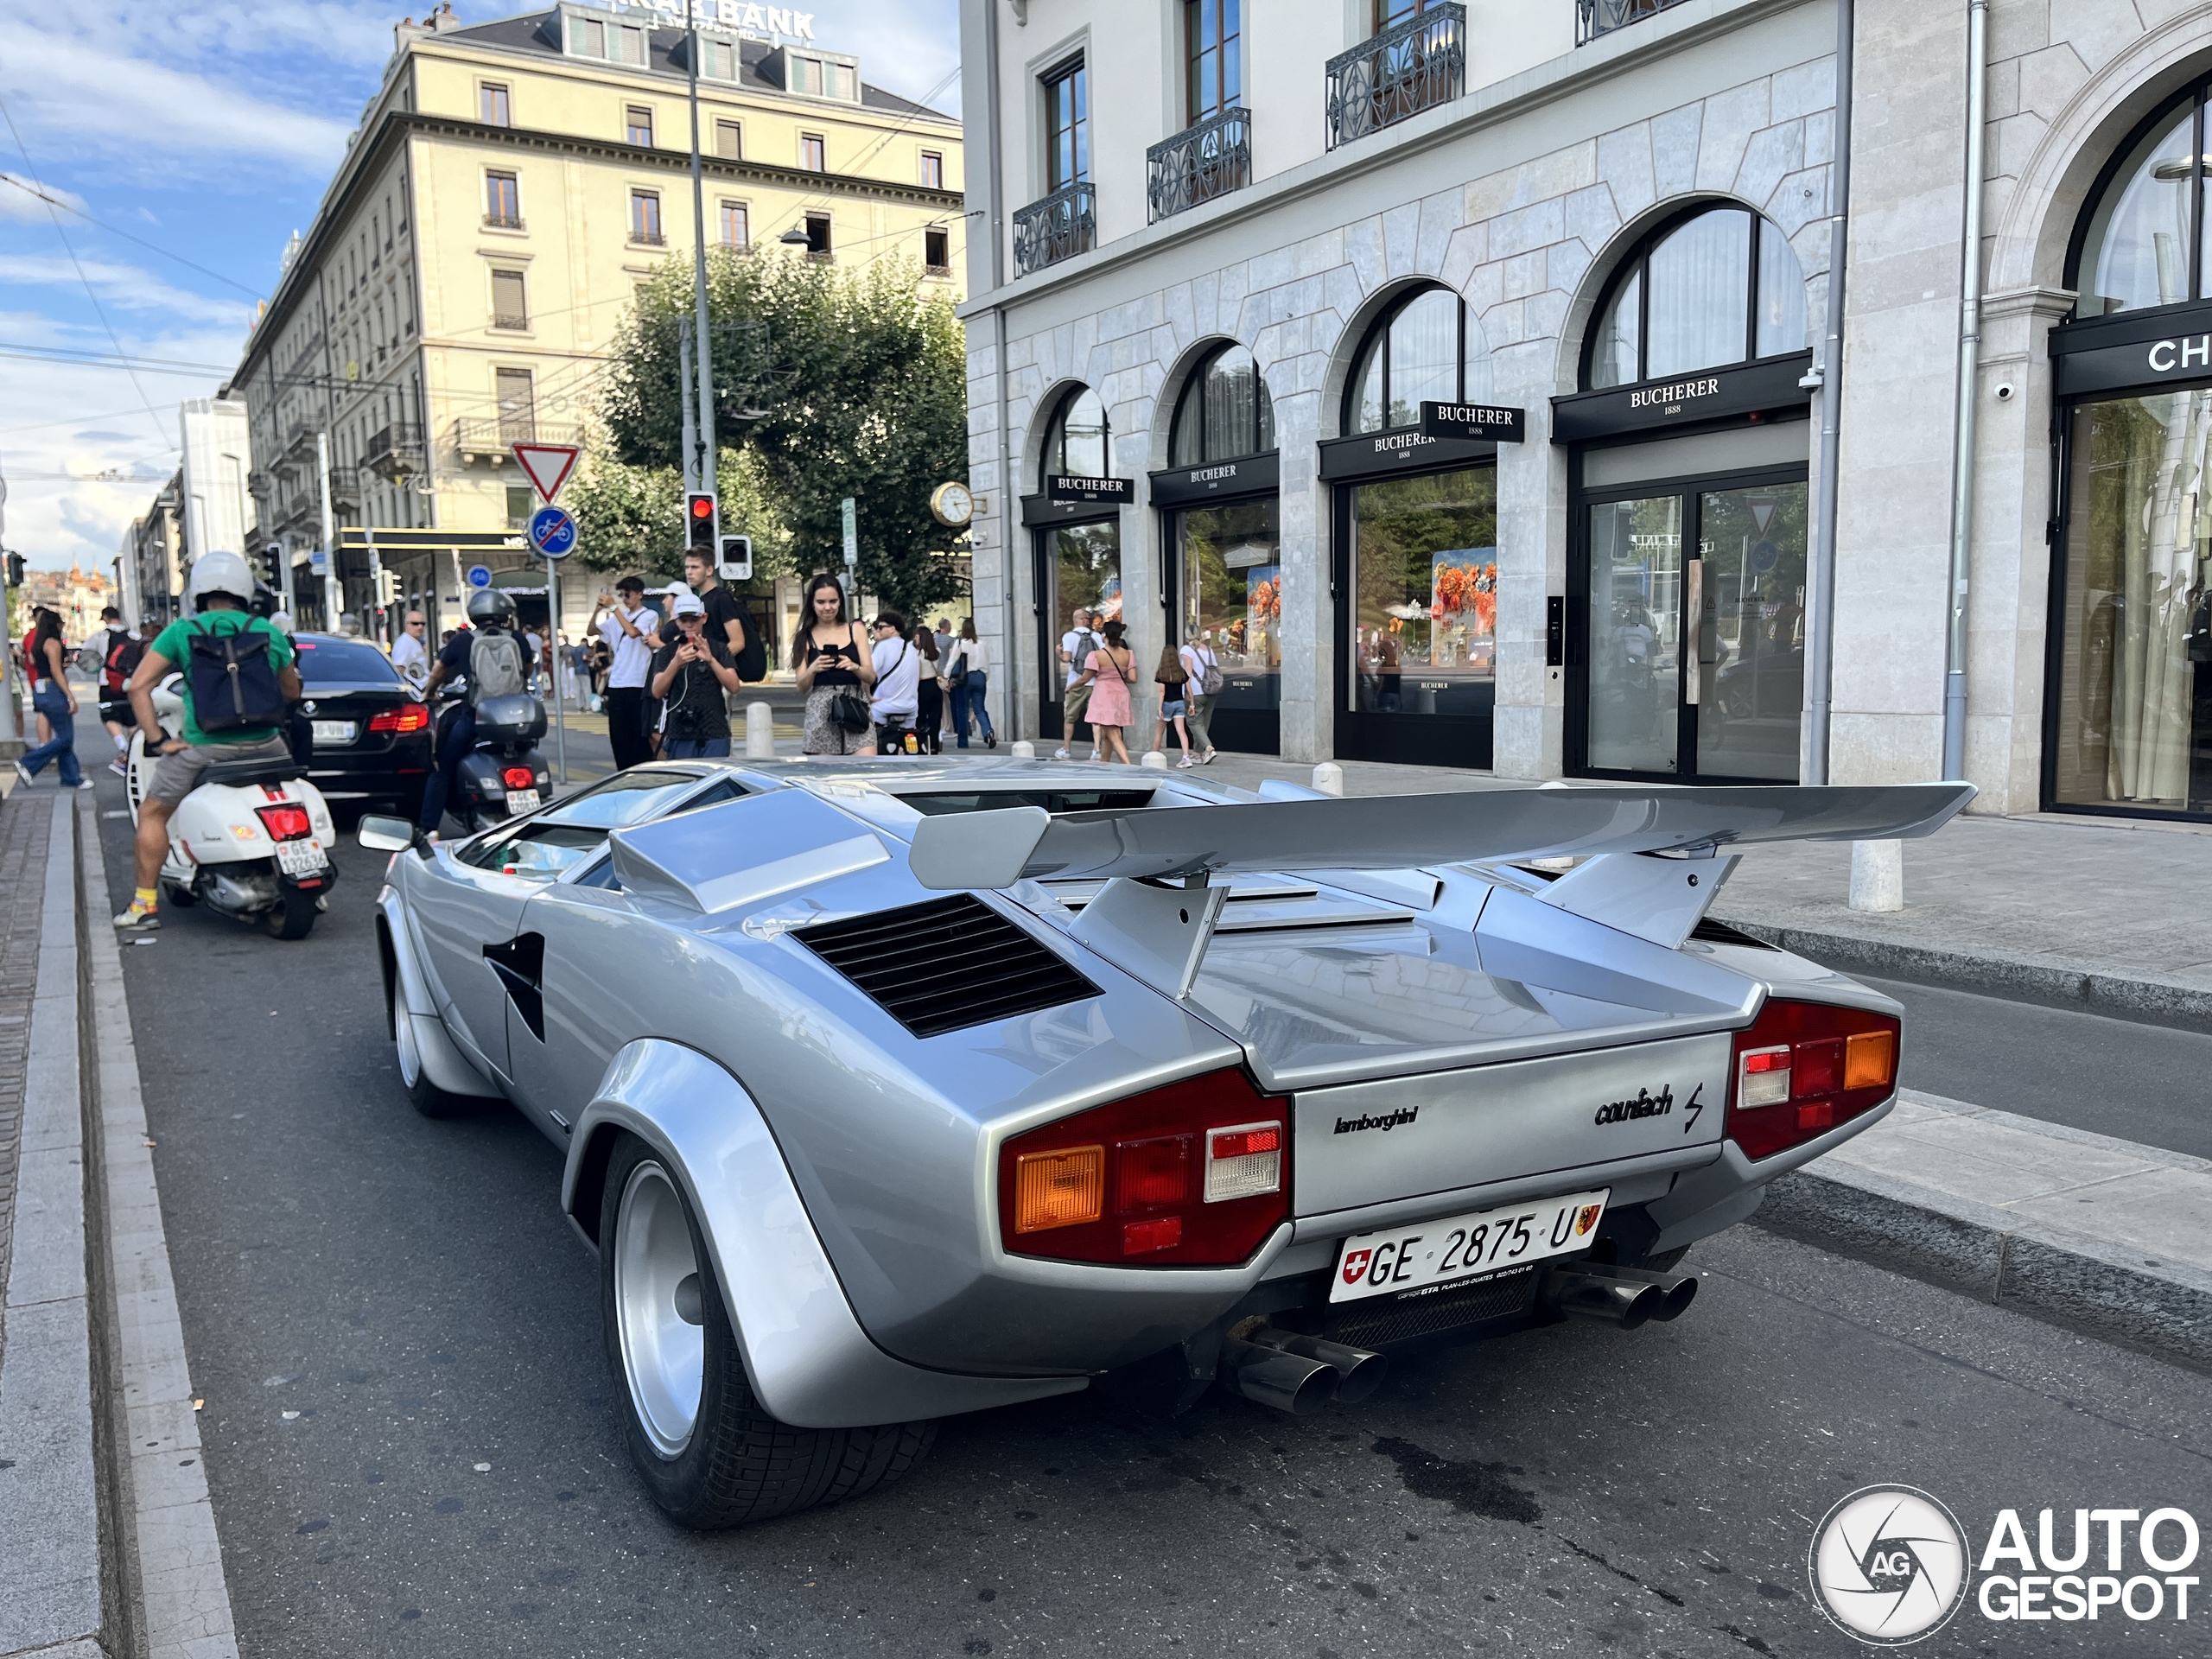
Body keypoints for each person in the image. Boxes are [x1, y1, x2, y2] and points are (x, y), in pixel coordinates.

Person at [111, 554, 302, 930]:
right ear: (245, 590)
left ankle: (144, 905)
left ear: (198, 592)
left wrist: (158, 740)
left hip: (206, 748)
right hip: (268, 745)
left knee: (153, 813)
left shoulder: (183, 632)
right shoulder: (267, 630)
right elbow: (291, 690)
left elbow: (138, 687)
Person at [416, 588, 530, 835]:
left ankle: (428, 828)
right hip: (517, 718)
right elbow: (528, 669)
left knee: (442, 768)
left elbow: (438, 671)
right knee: (526, 756)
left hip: (476, 717)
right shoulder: (518, 639)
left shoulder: (462, 640)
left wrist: (428, 693)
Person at [647, 591, 742, 757]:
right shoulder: (668, 651)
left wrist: (711, 660)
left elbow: (734, 686)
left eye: (694, 619)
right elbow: (657, 691)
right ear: (677, 621)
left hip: (714, 729)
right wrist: (676, 662)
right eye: (684, 620)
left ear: (704, 618)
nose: (689, 625)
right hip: (680, 730)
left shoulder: (719, 648)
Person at [792, 573, 875, 755]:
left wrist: (855, 667)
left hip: (855, 705)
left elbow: (871, 676)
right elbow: (801, 686)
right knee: (825, 777)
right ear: (812, 604)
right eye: (821, 602)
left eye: (833, 601)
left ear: (841, 602)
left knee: (868, 769)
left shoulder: (856, 629)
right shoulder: (804, 637)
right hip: (822, 709)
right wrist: (813, 669)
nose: (827, 607)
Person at [15, 607, 95, 793]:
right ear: (56, 625)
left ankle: (71, 778)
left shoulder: (37, 642)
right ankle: (28, 763)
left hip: (39, 689)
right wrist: (70, 695)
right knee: (66, 737)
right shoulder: (53, 643)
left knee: (64, 736)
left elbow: (35, 663)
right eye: (61, 624)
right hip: (53, 690)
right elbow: (56, 671)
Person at [596, 576, 657, 769]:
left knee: (638, 737)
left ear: (640, 595)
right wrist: (598, 609)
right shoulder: (617, 618)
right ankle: (623, 773)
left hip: (637, 683)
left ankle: (642, 773)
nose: (624, 599)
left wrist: (614, 608)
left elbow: (632, 632)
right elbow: (592, 631)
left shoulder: (649, 615)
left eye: (628, 594)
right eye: (621, 595)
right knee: (619, 738)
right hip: (617, 683)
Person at [1075, 618, 1137, 764]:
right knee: (1107, 735)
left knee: (1112, 733)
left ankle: (1128, 766)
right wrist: (1117, 677)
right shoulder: (1128, 654)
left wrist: (1071, 686)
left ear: (1105, 635)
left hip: (1104, 694)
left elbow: (1085, 678)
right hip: (1121, 693)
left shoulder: (1096, 655)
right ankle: (1105, 762)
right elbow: (1133, 678)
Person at [93, 607, 144, 776]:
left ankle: (124, 749)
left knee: (108, 717)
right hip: (131, 682)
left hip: (107, 682)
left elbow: (86, 655)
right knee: (132, 720)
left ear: (106, 617)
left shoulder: (101, 637)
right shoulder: (134, 635)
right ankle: (135, 751)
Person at [869, 611, 922, 753]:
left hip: (883, 708)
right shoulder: (911, 648)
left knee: (871, 736)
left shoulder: (883, 647)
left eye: (881, 627)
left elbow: (869, 673)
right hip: (910, 708)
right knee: (908, 744)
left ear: (892, 629)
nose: (878, 630)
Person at [942, 618, 995, 749]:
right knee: (980, 709)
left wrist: (946, 677)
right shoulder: (982, 644)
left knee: (962, 710)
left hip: (965, 678)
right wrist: (985, 678)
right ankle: (988, 731)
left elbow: (952, 661)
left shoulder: (960, 643)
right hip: (981, 677)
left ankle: (963, 742)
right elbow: (987, 664)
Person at [1057, 607, 1098, 760]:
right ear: (1084, 620)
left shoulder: (1069, 636)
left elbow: (1067, 658)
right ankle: (1096, 750)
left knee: (1070, 717)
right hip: (1095, 682)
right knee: (1096, 718)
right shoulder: (1096, 636)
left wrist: (1058, 653)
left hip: (1076, 682)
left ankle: (1066, 749)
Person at [1179, 632, 1222, 765]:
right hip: (1211, 689)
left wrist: (1187, 691)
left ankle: (1208, 748)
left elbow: (1188, 672)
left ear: (1187, 637)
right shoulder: (1209, 650)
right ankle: (1197, 754)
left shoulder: (1186, 650)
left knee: (1193, 722)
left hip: (1196, 691)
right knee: (1204, 723)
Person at [1152, 640, 1193, 767]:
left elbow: (1161, 692)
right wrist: (1192, 703)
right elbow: (1188, 687)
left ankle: (1154, 756)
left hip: (1167, 704)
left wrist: (1159, 708)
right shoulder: (1181, 672)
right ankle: (1186, 757)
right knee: (1181, 731)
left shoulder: (1162, 673)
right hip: (1179, 703)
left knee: (1159, 732)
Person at [912, 624, 944, 753]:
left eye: (916, 636)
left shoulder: (916, 653)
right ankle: (934, 745)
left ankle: (922, 743)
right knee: (935, 719)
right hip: (935, 686)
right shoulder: (936, 651)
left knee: (920, 717)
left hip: (922, 685)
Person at [391, 611, 430, 691]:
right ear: (407, 625)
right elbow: (399, 669)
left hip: (422, 690)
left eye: (422, 624)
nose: (420, 627)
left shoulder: (414, 641)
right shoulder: (404, 643)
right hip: (416, 691)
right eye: (415, 624)